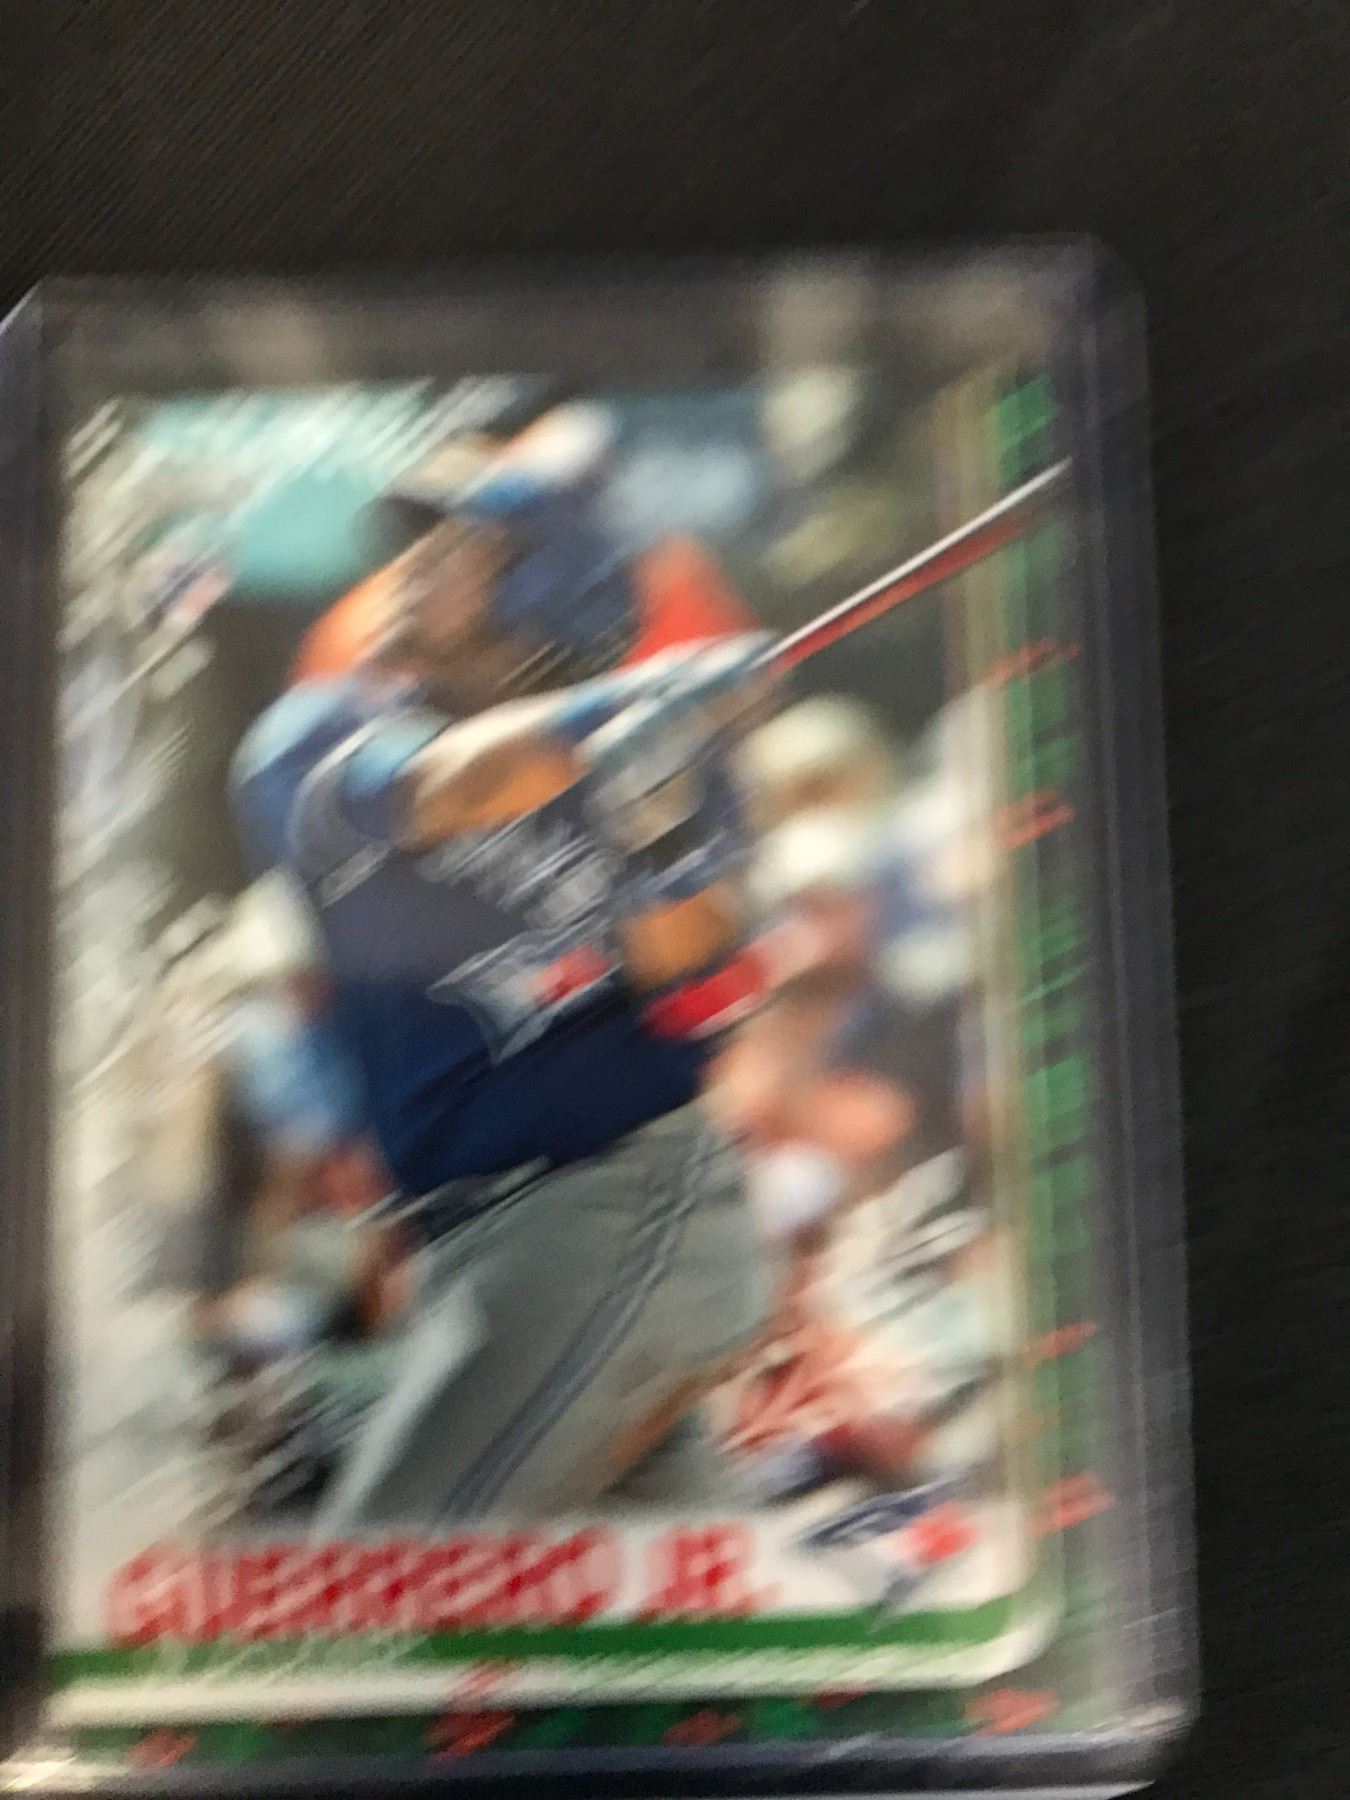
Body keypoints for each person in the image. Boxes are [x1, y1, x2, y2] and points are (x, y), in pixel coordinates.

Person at [231, 449, 775, 1529]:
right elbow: (453, 783)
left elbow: (699, 999)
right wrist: (627, 709)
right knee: (653, 1609)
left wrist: (660, 831)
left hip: (611, 1210)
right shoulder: (319, 736)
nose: (409, 573)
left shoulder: (672, 761)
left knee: (388, 1581)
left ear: (543, 586)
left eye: (454, 552)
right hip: (471, 1248)